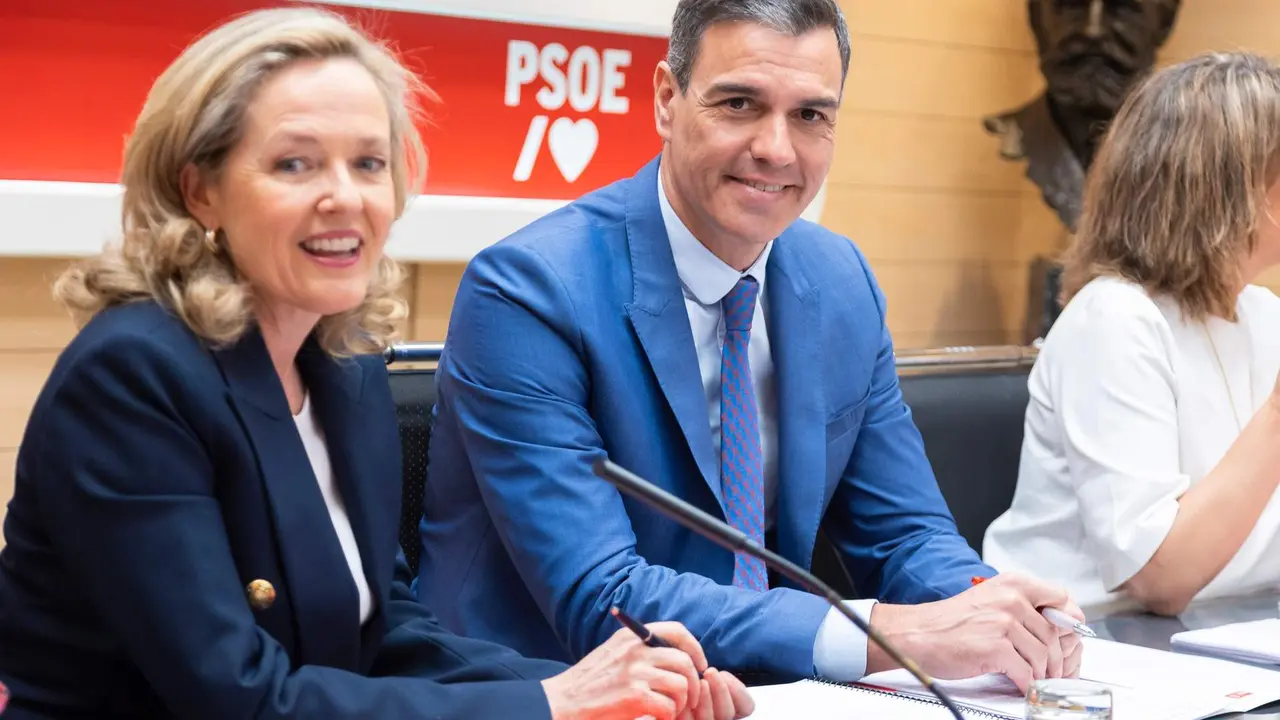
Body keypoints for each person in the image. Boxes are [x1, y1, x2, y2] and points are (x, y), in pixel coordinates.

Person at [0, 8, 752, 720]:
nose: (344, 197)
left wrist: (613, 687)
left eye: (368, 163)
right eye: (295, 164)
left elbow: (386, 635)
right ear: (202, 190)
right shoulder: (132, 380)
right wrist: (551, 706)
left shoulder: (344, 370)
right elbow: (239, 700)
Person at [417, 0, 1084, 693]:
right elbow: (604, 596)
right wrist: (890, 634)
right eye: (739, 103)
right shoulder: (530, 290)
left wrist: (998, 608)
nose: (776, 148)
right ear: (666, 101)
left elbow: (905, 535)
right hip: (548, 689)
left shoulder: (840, 281)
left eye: (810, 115)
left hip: (764, 693)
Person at [983, 51, 1280, 617]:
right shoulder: (1114, 322)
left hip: (1232, 633)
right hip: (1088, 654)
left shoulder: (1264, 316)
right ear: (1225, 187)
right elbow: (1161, 578)